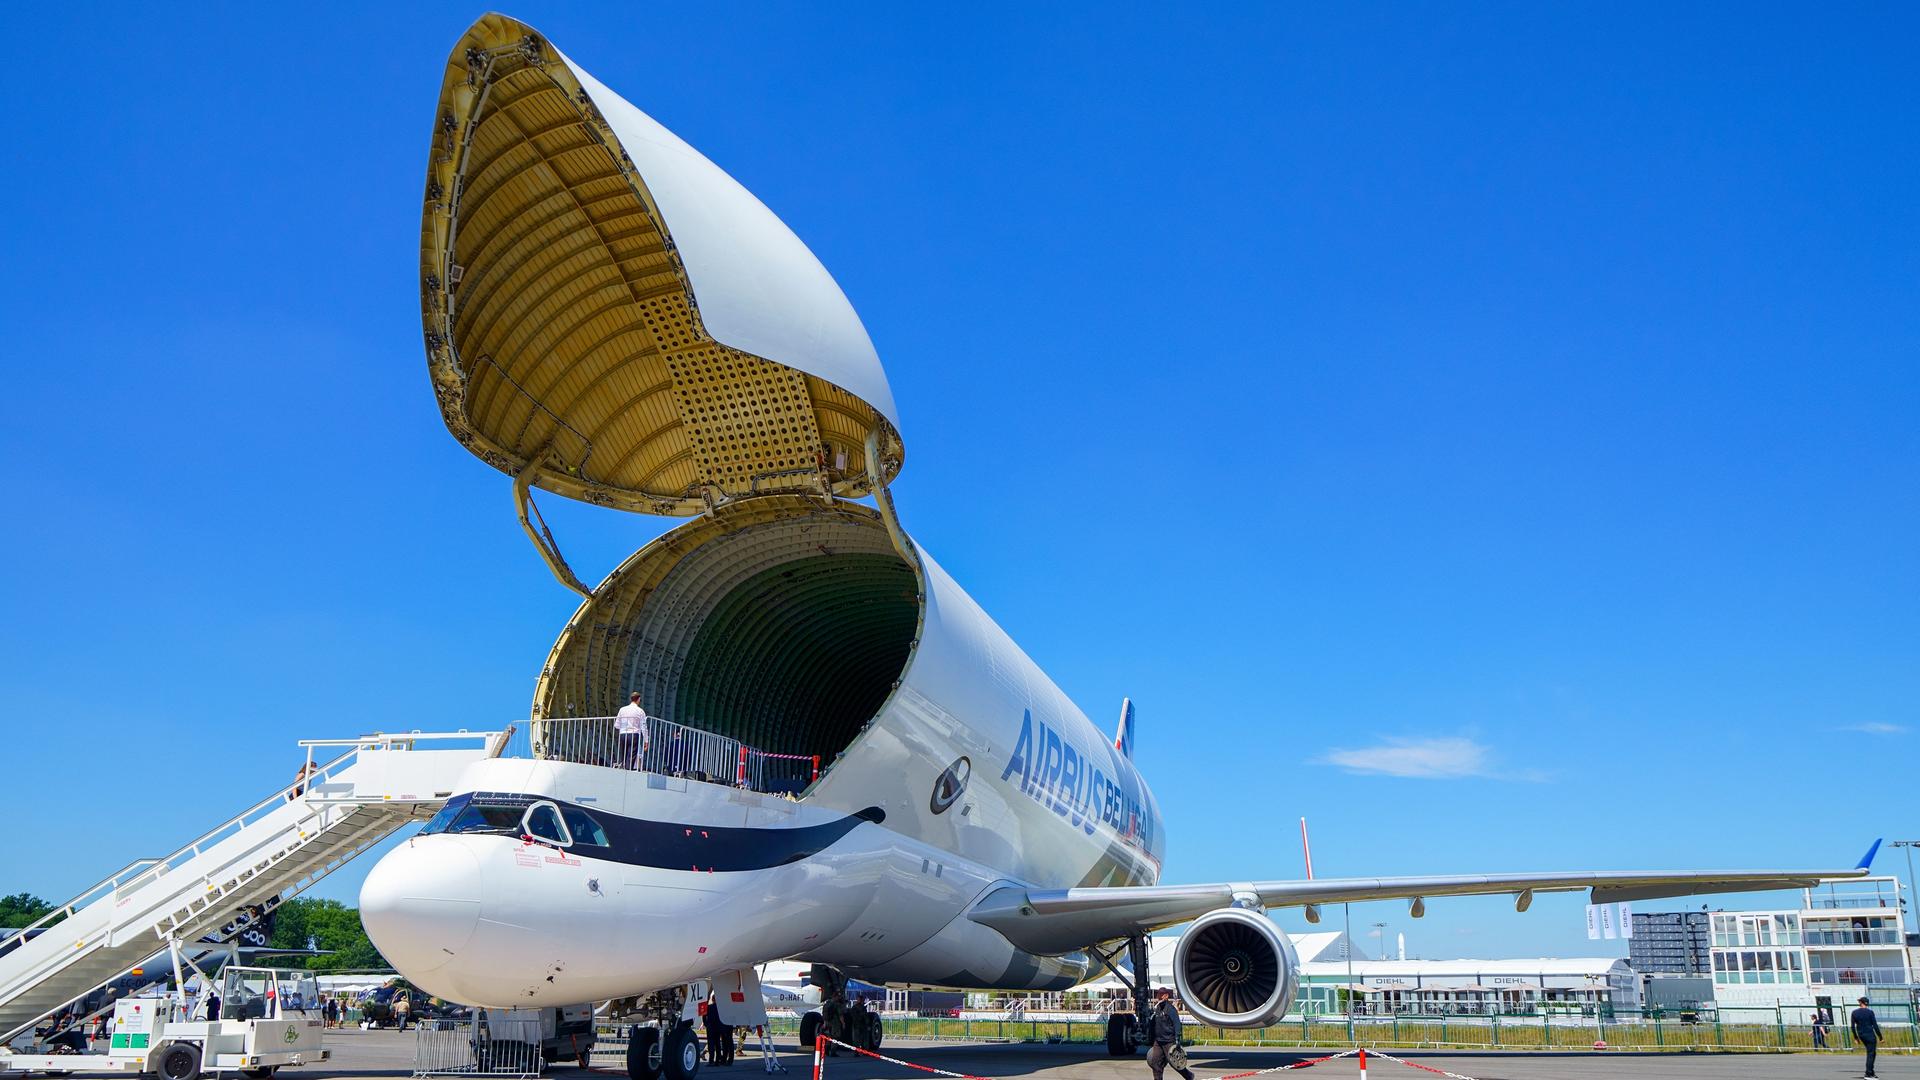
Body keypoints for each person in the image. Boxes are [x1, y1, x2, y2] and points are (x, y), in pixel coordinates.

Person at [1146, 987, 1194, 1080]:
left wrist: (1177, 1038)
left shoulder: (1170, 1009)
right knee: (1155, 1062)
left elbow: (1177, 1023)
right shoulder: (1157, 1009)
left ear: (1166, 996)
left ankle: (1189, 1076)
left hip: (1169, 1041)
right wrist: (1151, 1036)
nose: (1159, 997)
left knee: (1174, 1063)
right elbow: (1153, 1023)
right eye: (1158, 995)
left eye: (1161, 995)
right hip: (1158, 1041)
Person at [616, 692, 650, 770]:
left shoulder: (622, 709)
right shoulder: (640, 711)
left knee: (623, 754)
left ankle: (622, 767)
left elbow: (617, 725)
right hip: (634, 734)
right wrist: (646, 741)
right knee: (631, 756)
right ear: (638, 699)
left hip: (623, 734)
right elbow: (643, 727)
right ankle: (628, 770)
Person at [1851, 996, 1881, 1078]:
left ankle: (1871, 1071)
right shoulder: (1870, 1012)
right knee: (1871, 1054)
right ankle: (1868, 1073)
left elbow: (1853, 1026)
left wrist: (1856, 1037)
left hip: (1861, 1035)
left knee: (1871, 1053)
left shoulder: (1854, 1012)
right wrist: (1880, 1037)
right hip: (1870, 1034)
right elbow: (1875, 1025)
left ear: (1861, 1002)